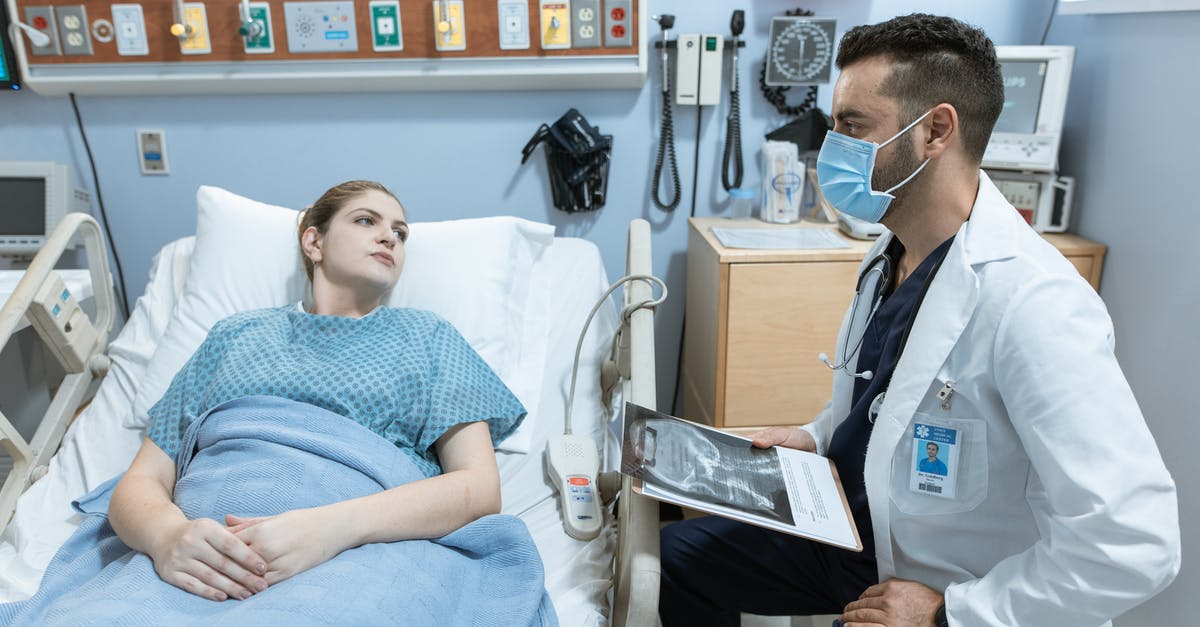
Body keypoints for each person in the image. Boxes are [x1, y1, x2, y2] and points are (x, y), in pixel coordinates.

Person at [659, 13, 1180, 627]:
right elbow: (888, 399)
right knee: (668, 561)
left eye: (853, 126)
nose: (831, 149)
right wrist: (815, 437)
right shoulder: (893, 249)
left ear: (935, 130)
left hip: (943, 586)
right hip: (856, 529)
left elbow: (1136, 543)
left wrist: (951, 614)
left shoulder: (1035, 306)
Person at [107, 180, 526, 603]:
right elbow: (143, 477)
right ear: (313, 240)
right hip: (197, 560)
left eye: (400, 233)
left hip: (359, 556)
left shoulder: (428, 337)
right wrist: (167, 538)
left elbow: (479, 488)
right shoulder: (235, 335)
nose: (389, 238)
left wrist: (332, 528)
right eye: (367, 221)